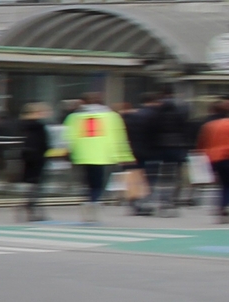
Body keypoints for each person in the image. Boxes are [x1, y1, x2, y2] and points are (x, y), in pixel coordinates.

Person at [64, 91, 133, 224]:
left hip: (81, 154)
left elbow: (67, 136)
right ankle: (94, 202)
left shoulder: (73, 117)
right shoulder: (112, 116)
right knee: (99, 183)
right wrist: (125, 155)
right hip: (103, 154)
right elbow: (120, 137)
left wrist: (66, 152)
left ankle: (87, 201)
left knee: (86, 180)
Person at [145, 87, 194, 215]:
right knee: (172, 177)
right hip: (176, 148)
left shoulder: (155, 114)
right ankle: (168, 201)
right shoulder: (180, 114)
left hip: (158, 148)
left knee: (156, 176)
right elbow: (186, 130)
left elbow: (151, 131)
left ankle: (153, 200)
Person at [14, 102, 54, 223]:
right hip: (38, 158)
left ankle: (30, 205)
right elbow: (45, 144)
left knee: (31, 184)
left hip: (27, 158)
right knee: (37, 185)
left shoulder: (23, 125)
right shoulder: (40, 127)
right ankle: (32, 206)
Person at [200, 99, 229, 223]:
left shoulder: (209, 126)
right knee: (226, 185)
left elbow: (202, 143)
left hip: (214, 158)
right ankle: (223, 205)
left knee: (223, 184)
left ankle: (221, 206)